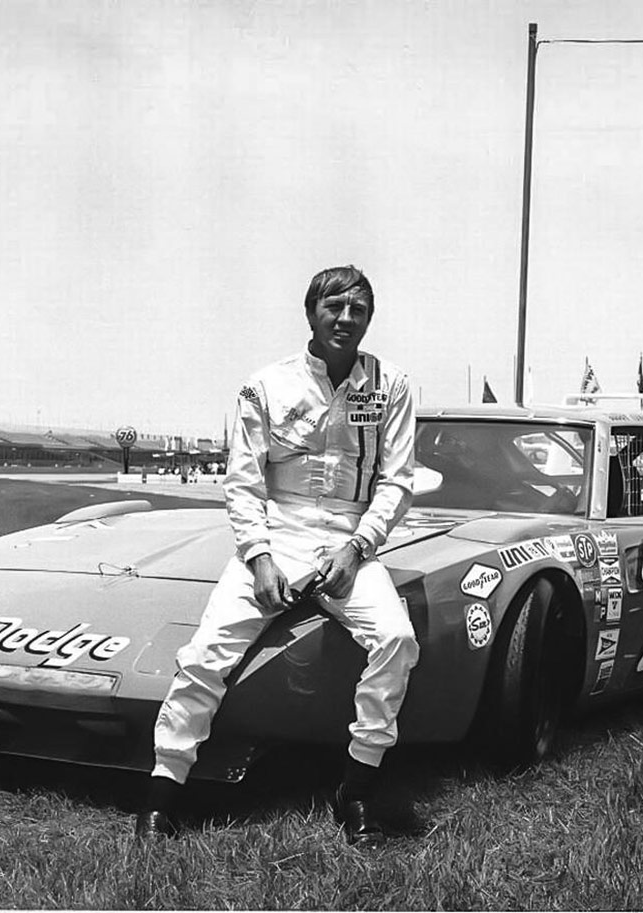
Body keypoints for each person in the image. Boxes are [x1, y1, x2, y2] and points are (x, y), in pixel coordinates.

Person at [136, 265, 418, 846]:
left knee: (397, 639)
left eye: (357, 310)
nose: (345, 319)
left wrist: (357, 547)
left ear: (370, 318)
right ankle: (163, 794)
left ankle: (357, 788)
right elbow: (243, 484)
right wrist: (260, 558)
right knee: (205, 653)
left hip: (348, 540)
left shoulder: (393, 385)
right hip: (278, 532)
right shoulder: (264, 385)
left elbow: (397, 482)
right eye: (333, 307)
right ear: (310, 312)